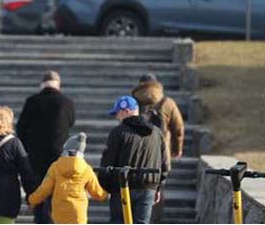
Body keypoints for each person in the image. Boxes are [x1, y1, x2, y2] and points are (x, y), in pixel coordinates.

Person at [16, 71, 76, 224]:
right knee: (55, 195)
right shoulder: (67, 102)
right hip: (58, 157)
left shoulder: (32, 101)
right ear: (58, 85)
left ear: (42, 84)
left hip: (35, 158)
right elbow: (71, 123)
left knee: (39, 196)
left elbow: (20, 129)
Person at [99, 96, 169, 224]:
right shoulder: (157, 133)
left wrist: (104, 186)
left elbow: (108, 161)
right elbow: (165, 163)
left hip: (121, 187)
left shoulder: (118, 132)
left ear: (126, 111)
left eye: (117, 113)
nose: (116, 117)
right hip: (148, 187)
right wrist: (158, 187)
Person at [131, 73, 185, 223]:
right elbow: (178, 127)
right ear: (156, 84)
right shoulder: (167, 102)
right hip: (161, 154)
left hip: (137, 153)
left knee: (137, 188)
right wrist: (177, 147)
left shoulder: (133, 101)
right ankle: (154, 220)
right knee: (158, 188)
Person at [28, 133, 108, 224]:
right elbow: (96, 192)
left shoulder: (56, 167)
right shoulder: (86, 169)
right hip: (78, 213)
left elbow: (45, 189)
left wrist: (32, 200)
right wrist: (106, 196)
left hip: (59, 212)